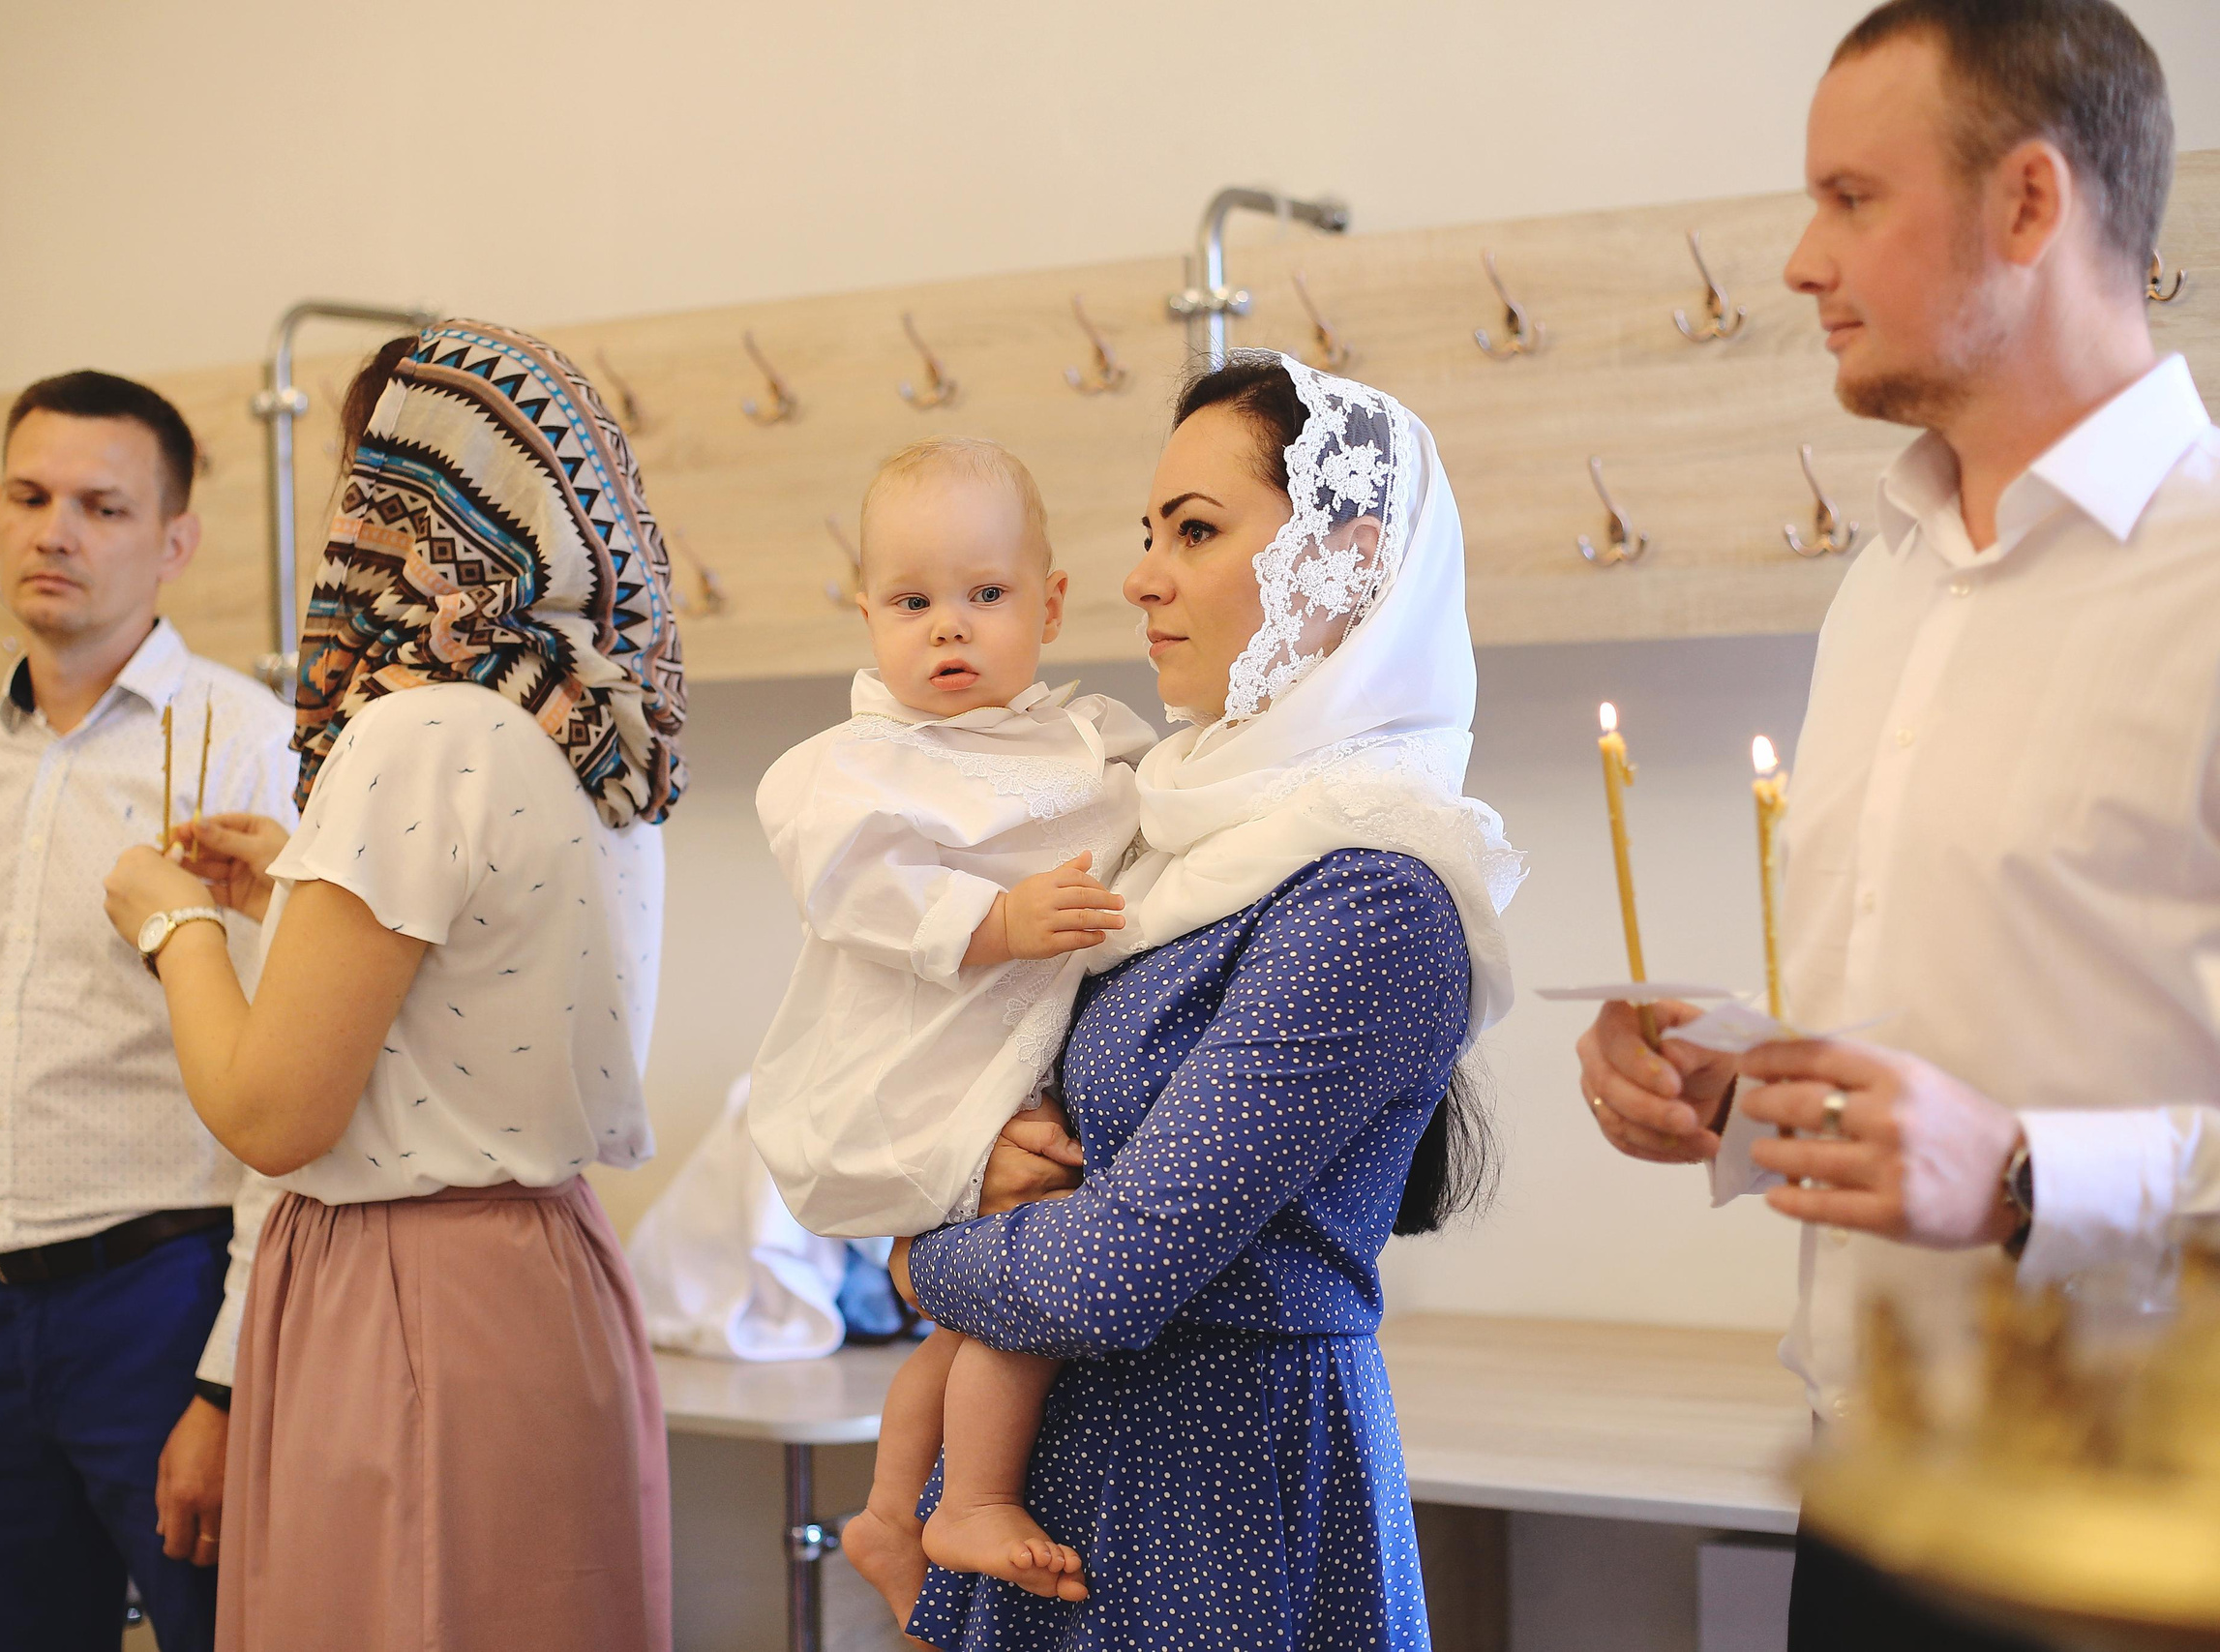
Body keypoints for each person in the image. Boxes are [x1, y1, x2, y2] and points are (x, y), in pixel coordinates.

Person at [1572, 2, 2207, 1645]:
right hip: (1866, 1495)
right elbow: (1939, 1032)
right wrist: (1732, 1089)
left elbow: (1988, 1140)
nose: (1798, 258)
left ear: (2028, 207)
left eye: (1854, 198)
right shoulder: (1884, 586)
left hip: (2145, 1543)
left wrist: (2014, 1172)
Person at [890, 351, 1521, 1650]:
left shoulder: (1375, 895)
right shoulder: (1167, 833)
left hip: (1218, 1500)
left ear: (1342, 559)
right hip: (1061, 1476)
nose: (1140, 575)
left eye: (1195, 530)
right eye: (1147, 532)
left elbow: (1112, 1268)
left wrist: (909, 1247)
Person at [100, 318, 684, 1652]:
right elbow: (475, 977)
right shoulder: (589, 728)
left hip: (407, 1299)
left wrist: (172, 923)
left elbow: (271, 1112)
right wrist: (289, 897)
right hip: (545, 1282)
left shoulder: (413, 734)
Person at [0, 371, 297, 1652]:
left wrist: (227, 1372)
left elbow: (287, 1086)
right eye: (30, 496)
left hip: (160, 1291)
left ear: (175, 540)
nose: (58, 531)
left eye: (102, 504)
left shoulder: (247, 743)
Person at [749, 436, 1154, 1614]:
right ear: (866, 611)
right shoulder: (851, 768)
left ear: (1051, 603)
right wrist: (1002, 918)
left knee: (962, 1320)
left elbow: (1173, 819)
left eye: (986, 596)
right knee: (1025, 1285)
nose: (950, 629)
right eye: (914, 602)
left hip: (1018, 1069)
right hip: (919, 1080)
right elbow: (859, 890)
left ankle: (886, 1516)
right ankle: (968, 1503)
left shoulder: (1094, 739)